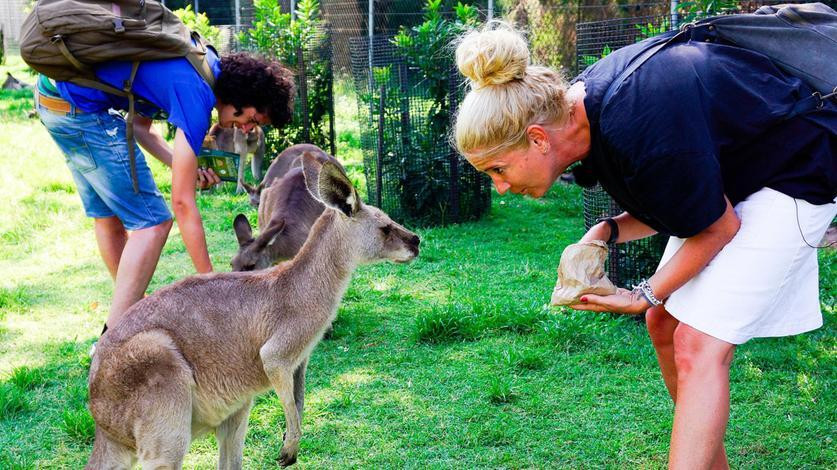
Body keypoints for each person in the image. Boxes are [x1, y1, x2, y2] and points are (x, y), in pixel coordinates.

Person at [453, 23, 836, 469]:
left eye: (498, 170)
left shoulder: (635, 122)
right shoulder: (582, 116)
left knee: (696, 342)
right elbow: (673, 198)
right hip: (741, 174)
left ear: (538, 139)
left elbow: (716, 226)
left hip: (797, 163)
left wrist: (641, 295)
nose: (500, 188)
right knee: (664, 324)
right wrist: (604, 232)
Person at [36, 51, 295, 334]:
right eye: (253, 118)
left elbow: (139, 127)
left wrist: (187, 168)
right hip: (79, 111)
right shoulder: (198, 95)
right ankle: (113, 337)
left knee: (109, 217)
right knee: (154, 222)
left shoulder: (203, 61)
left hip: (57, 98)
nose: (247, 129)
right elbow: (183, 203)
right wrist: (211, 283)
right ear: (243, 95)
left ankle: (130, 312)